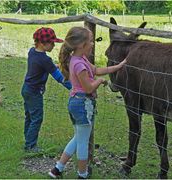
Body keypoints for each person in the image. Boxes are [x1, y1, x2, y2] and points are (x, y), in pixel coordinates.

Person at [48, 27, 127, 179]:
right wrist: (100, 81)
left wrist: (118, 66)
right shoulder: (79, 65)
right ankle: (82, 174)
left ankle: (57, 169)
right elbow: (88, 87)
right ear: (80, 45)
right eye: (90, 41)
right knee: (83, 141)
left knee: (78, 137)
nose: (92, 44)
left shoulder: (79, 59)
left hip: (76, 103)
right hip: (83, 104)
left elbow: (96, 69)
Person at [21, 27, 72, 153]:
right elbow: (59, 78)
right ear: (42, 43)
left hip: (26, 89)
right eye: (52, 43)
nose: (54, 45)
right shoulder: (45, 60)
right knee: (37, 118)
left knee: (29, 116)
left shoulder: (32, 51)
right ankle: (31, 146)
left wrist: (49, 67)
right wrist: (74, 87)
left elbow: (38, 65)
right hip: (34, 92)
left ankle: (28, 141)